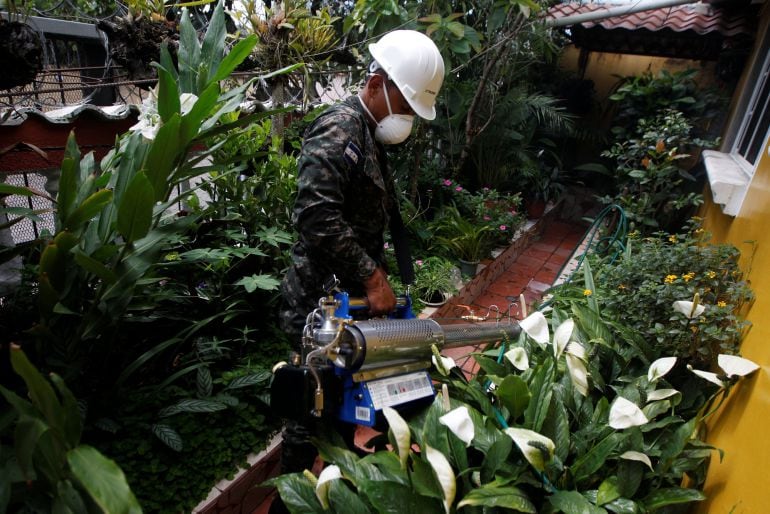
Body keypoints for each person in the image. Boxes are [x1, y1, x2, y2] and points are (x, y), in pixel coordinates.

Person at [272, 28, 445, 506]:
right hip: (319, 307)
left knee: (341, 409)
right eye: (406, 104)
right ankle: (286, 502)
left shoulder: (366, 134)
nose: (407, 116)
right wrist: (373, 276)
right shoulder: (340, 128)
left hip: (348, 306)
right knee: (309, 416)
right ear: (377, 82)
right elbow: (316, 217)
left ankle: (338, 492)